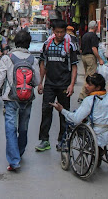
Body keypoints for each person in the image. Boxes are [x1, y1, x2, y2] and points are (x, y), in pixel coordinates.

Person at [0, 30, 41, 172]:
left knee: (10, 129)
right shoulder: (33, 59)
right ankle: (19, 153)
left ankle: (14, 161)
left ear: (15, 41)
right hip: (27, 99)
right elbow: (37, 81)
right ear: (29, 43)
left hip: (10, 99)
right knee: (23, 128)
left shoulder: (7, 58)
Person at [35, 19, 78, 152]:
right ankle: (44, 140)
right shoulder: (47, 44)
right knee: (46, 111)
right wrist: (40, 83)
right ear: (53, 31)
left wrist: (71, 85)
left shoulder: (70, 46)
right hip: (49, 84)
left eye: (62, 32)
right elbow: (42, 64)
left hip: (64, 84)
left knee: (64, 113)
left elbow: (74, 66)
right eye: (57, 32)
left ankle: (63, 140)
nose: (59, 35)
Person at [51, 73, 108, 147]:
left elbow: (76, 119)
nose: (86, 86)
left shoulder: (89, 100)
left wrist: (62, 110)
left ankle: (64, 145)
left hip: (94, 133)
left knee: (72, 124)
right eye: (86, 83)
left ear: (97, 88)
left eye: (89, 85)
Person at [79, 20, 104, 102]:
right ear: (95, 27)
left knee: (87, 74)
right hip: (90, 57)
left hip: (84, 56)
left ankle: (86, 93)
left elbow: (81, 48)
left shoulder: (84, 35)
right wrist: (99, 59)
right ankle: (83, 95)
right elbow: (94, 48)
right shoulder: (93, 36)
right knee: (89, 77)